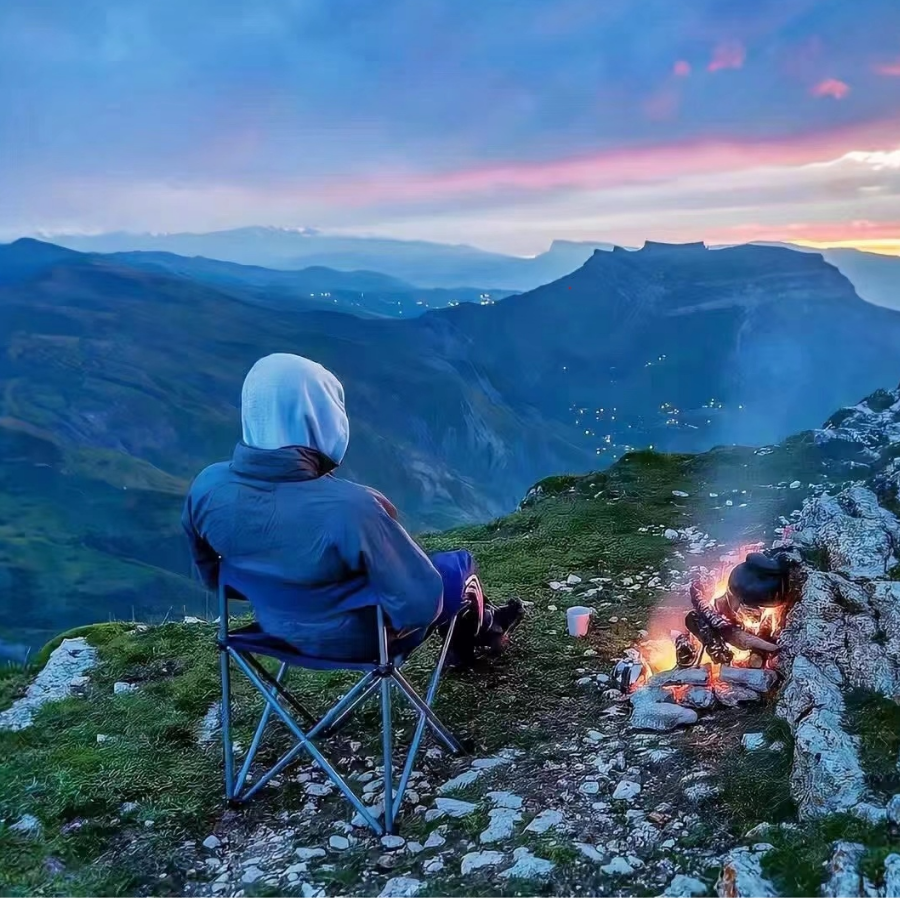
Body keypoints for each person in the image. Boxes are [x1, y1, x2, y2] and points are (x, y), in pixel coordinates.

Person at [181, 352, 523, 666]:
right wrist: (367, 512)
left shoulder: (207, 487)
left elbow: (215, 578)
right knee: (456, 566)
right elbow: (420, 607)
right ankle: (479, 631)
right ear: (319, 417)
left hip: (274, 631)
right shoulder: (352, 509)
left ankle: (485, 626)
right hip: (361, 640)